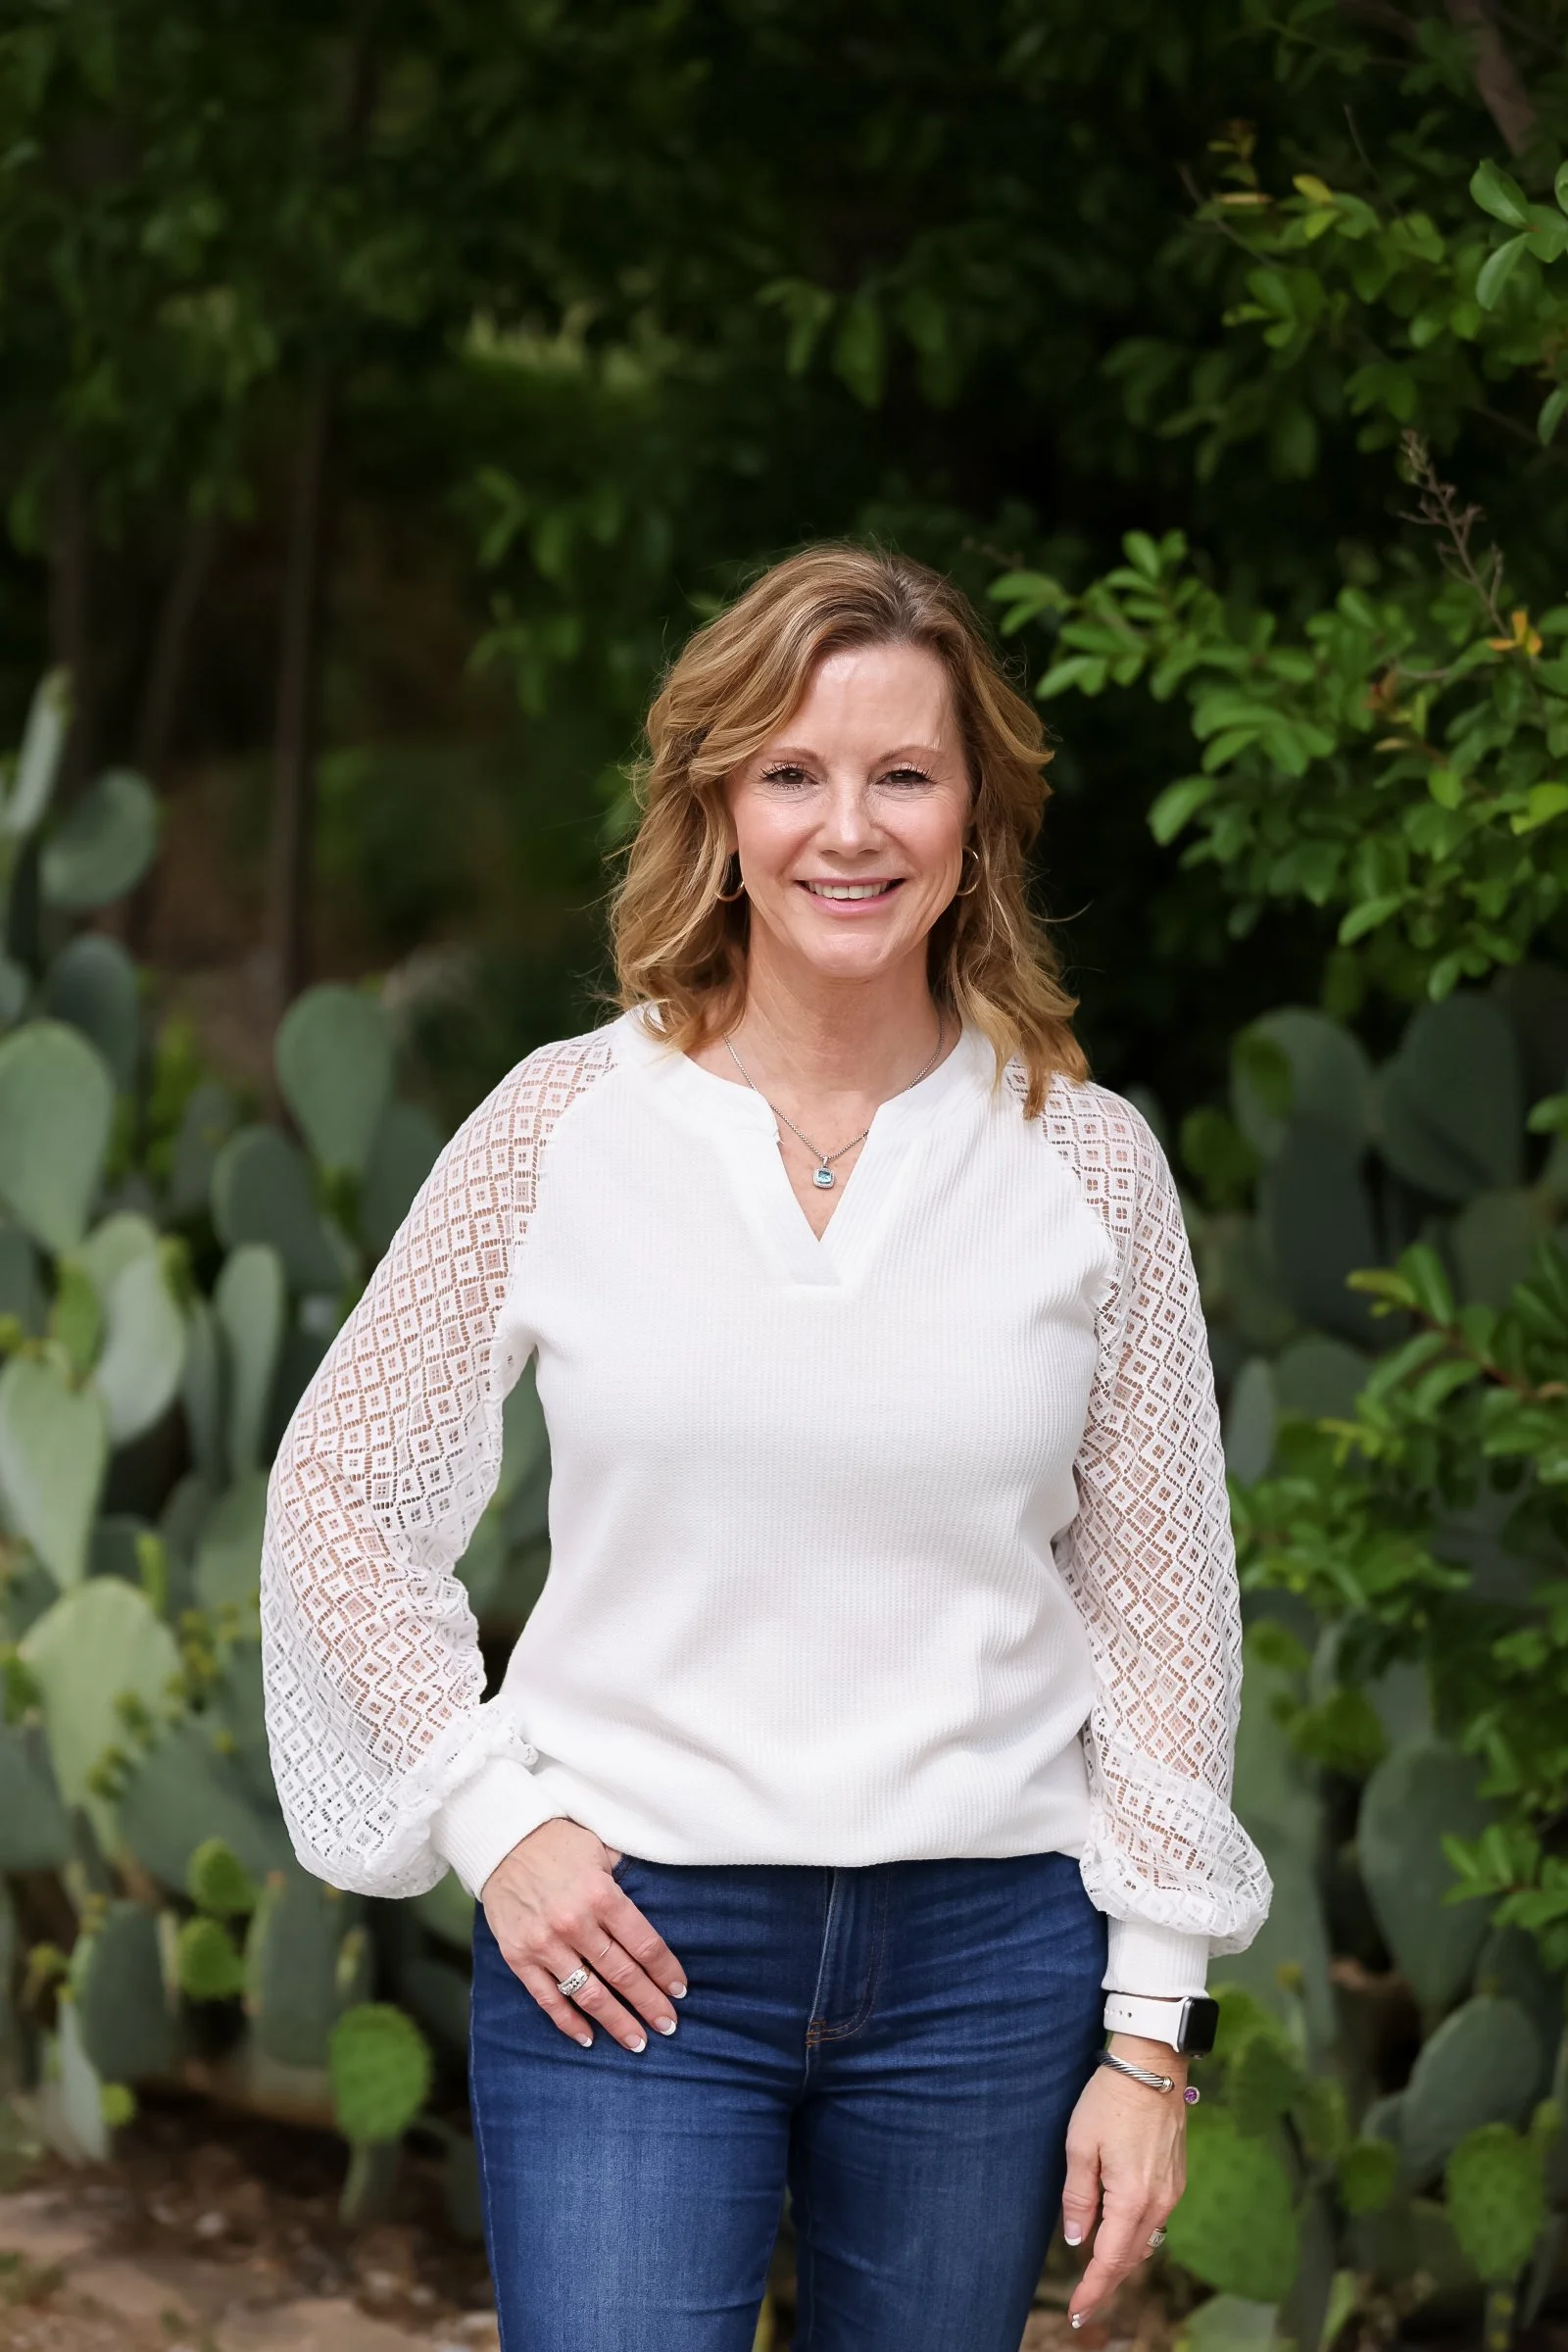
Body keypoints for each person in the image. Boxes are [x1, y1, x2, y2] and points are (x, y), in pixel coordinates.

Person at [261, 545, 1270, 2352]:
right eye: (792, 773)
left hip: (989, 1968)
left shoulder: (1086, 1160)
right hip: (625, 1951)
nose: (849, 829)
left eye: (905, 773)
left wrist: (1150, 2030)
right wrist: (497, 1820)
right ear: (719, 807)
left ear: (979, 814)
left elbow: (1166, 1608)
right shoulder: (566, 1124)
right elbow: (343, 1493)